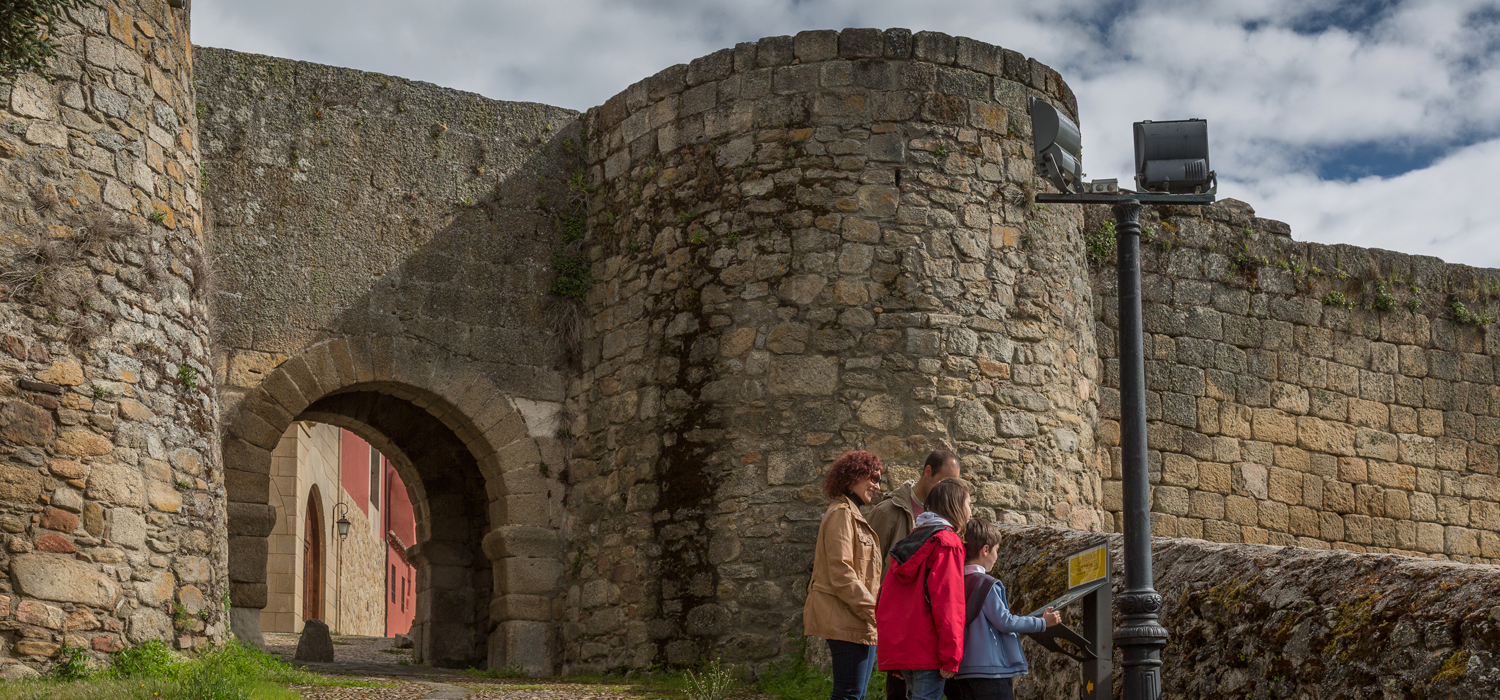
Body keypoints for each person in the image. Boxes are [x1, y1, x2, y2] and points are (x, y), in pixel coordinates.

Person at [868, 450, 961, 700]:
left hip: (920, 635)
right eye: (945, 481)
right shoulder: (889, 511)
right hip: (902, 629)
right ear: (927, 472)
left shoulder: (944, 526)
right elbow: (869, 569)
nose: (948, 488)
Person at [805, 450, 886, 700]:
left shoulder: (852, 513)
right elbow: (841, 572)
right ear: (853, 476)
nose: (877, 485)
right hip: (848, 619)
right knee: (849, 694)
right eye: (873, 477)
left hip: (857, 620)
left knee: (853, 694)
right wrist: (875, 612)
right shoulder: (841, 513)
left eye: (879, 479)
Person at [949, 519, 1061, 700]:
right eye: (996, 551)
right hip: (991, 672)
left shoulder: (954, 584)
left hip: (962, 671)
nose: (997, 557)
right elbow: (1005, 621)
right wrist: (1042, 622)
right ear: (985, 550)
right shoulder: (988, 584)